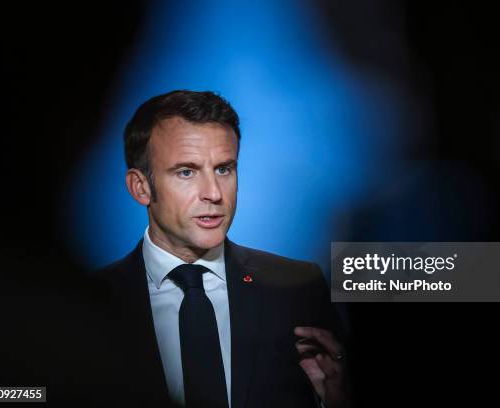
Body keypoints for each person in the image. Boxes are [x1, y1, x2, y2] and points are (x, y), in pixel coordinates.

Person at [95, 90, 348, 407]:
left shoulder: (299, 287)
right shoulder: (88, 306)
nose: (214, 193)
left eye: (224, 169)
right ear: (140, 187)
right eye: (186, 171)